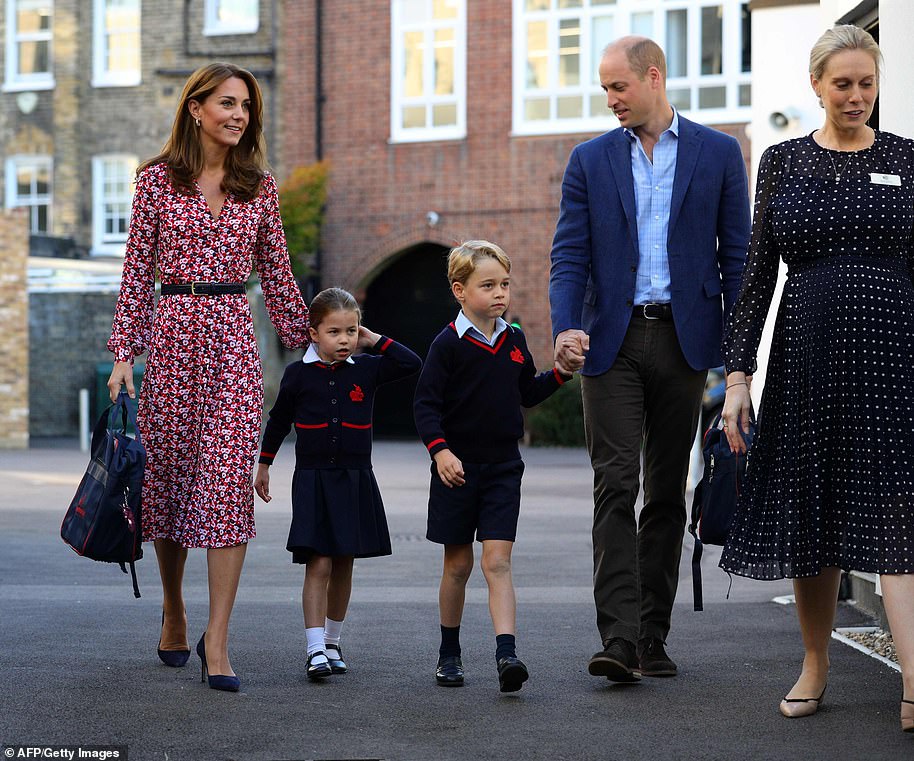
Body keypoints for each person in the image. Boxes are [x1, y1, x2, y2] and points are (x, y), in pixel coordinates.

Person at [720, 25, 914, 731]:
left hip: (896, 356)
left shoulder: (907, 159)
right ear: (817, 86)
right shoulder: (783, 161)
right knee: (814, 507)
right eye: (843, 83)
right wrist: (738, 375)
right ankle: (815, 661)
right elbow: (755, 278)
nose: (857, 95)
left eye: (867, 82)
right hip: (808, 357)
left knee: (900, 507)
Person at [549, 36, 750, 683]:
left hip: (686, 342)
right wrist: (565, 327)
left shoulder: (719, 153)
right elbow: (569, 255)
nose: (609, 99)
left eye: (618, 87)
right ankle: (618, 636)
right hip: (611, 343)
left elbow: (738, 258)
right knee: (615, 486)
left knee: (666, 491)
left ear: (653, 77)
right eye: (604, 89)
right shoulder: (588, 160)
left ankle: (651, 636)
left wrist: (736, 357)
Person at [106, 62, 310, 692]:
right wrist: (123, 354)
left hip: (231, 346)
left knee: (224, 490)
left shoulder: (260, 187)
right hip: (170, 338)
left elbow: (276, 274)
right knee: (165, 489)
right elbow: (137, 272)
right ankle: (174, 608)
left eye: (246, 106)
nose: (238, 115)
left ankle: (217, 639)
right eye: (226, 103)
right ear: (195, 108)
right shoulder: (154, 183)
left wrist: (316, 343)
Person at [413, 240, 572, 692]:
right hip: (456, 470)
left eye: (505, 283)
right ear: (459, 290)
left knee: (497, 562)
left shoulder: (515, 338)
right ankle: (449, 652)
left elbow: (527, 392)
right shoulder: (446, 344)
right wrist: (441, 452)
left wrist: (559, 374)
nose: (500, 292)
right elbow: (425, 406)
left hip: (504, 468)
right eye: (488, 285)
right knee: (458, 565)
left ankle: (507, 654)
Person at [254, 287, 421, 680]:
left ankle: (332, 642)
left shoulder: (366, 368)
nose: (344, 339)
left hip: (355, 478)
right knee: (319, 562)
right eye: (334, 332)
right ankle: (314, 650)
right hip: (313, 479)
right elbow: (278, 422)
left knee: (344, 561)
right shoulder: (297, 374)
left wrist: (373, 339)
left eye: (351, 331)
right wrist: (263, 465)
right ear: (314, 333)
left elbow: (410, 362)